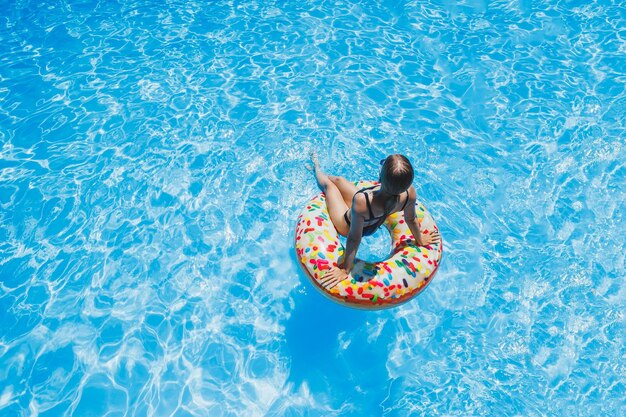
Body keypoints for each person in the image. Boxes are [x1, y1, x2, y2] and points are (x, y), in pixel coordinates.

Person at [308, 152, 441, 289]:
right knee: (339, 180)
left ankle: (316, 168)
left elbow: (354, 237)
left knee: (330, 186)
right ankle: (322, 173)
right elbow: (411, 219)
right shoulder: (409, 193)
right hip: (371, 217)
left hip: (346, 225)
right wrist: (420, 239)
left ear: (380, 177)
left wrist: (345, 269)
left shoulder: (362, 200)